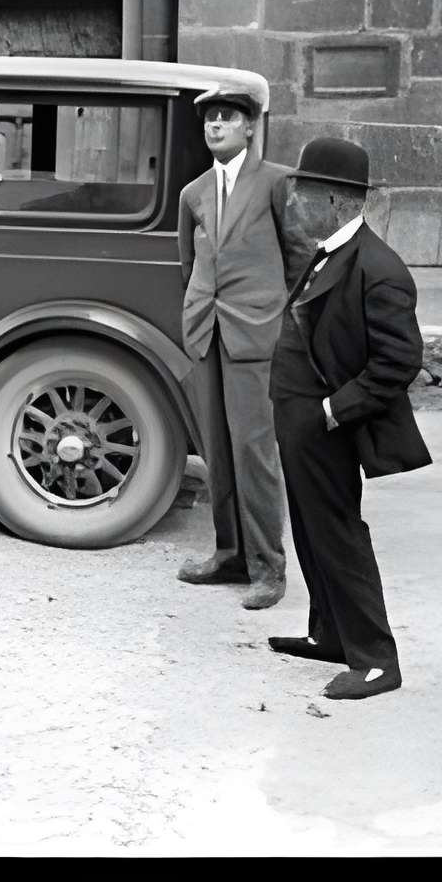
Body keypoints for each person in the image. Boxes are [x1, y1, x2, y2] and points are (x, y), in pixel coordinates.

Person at [263, 135, 432, 701]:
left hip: (325, 424)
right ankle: (330, 634)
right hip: (298, 420)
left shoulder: (379, 268)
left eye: (303, 192)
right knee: (311, 532)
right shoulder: (327, 251)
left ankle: (378, 661)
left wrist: (333, 412)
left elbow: (398, 361)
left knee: (338, 534)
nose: (293, 203)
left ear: (335, 201)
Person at [173, 86, 312, 611]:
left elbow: (301, 262)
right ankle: (229, 555)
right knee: (217, 452)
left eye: (227, 118)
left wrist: (283, 327)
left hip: (257, 337)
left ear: (251, 127)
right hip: (207, 334)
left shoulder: (277, 183)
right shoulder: (193, 193)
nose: (215, 126)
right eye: (209, 119)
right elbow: (188, 263)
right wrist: (197, 312)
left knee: (255, 452)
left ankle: (268, 568)